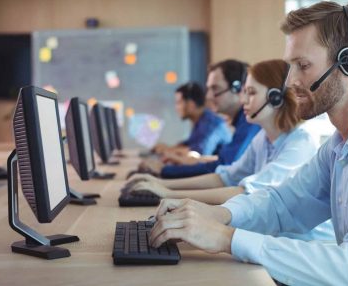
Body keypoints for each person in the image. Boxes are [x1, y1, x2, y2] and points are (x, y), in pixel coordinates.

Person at [145, 1, 348, 285]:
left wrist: (226, 238)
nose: (289, 83)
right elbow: (282, 205)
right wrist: (215, 215)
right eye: (291, 67)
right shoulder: (339, 148)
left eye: (302, 66)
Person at [125, 59, 318, 206]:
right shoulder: (263, 139)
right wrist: (160, 184)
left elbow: (245, 192)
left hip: (300, 247)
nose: (244, 100)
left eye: (251, 93)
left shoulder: (299, 144)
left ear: (275, 98)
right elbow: (224, 176)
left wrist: (167, 192)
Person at [132, 59, 261, 179]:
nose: (209, 96)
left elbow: (221, 166)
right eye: (208, 89)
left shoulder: (246, 122)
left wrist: (164, 171)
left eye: (215, 89)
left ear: (238, 89)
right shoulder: (240, 123)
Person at [152, 82, 232, 158]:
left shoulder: (210, 123)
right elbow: (189, 144)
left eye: (179, 102)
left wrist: (168, 150)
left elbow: (198, 153)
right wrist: (167, 148)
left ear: (191, 104)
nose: (176, 108)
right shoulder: (200, 121)